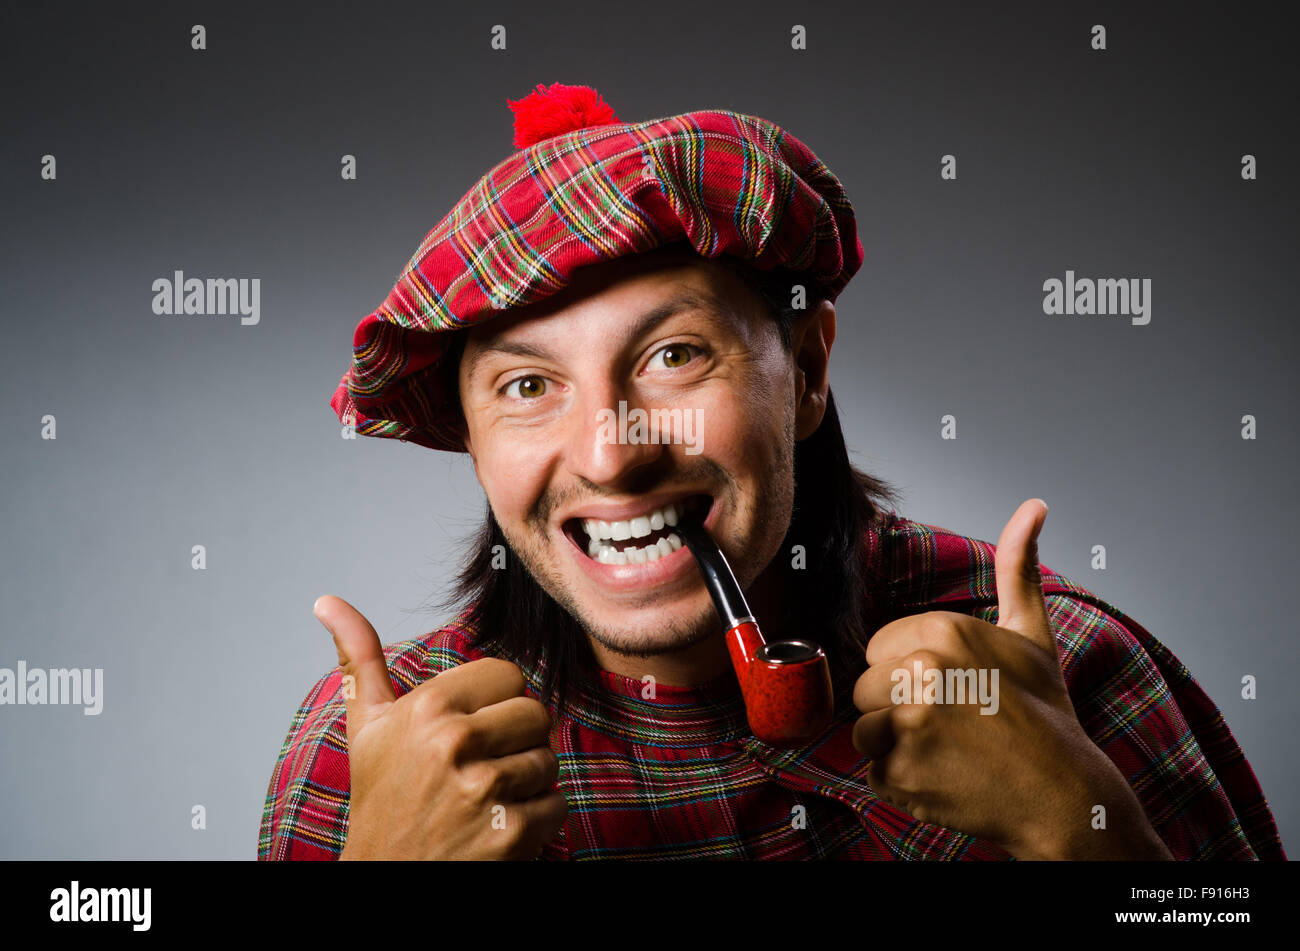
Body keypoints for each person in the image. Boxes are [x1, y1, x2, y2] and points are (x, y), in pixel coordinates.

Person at [258, 83, 1285, 861]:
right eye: (527, 386)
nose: (612, 455)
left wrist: (1081, 826)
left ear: (806, 370)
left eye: (674, 355)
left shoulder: (1051, 676)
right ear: (475, 439)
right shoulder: (385, 754)